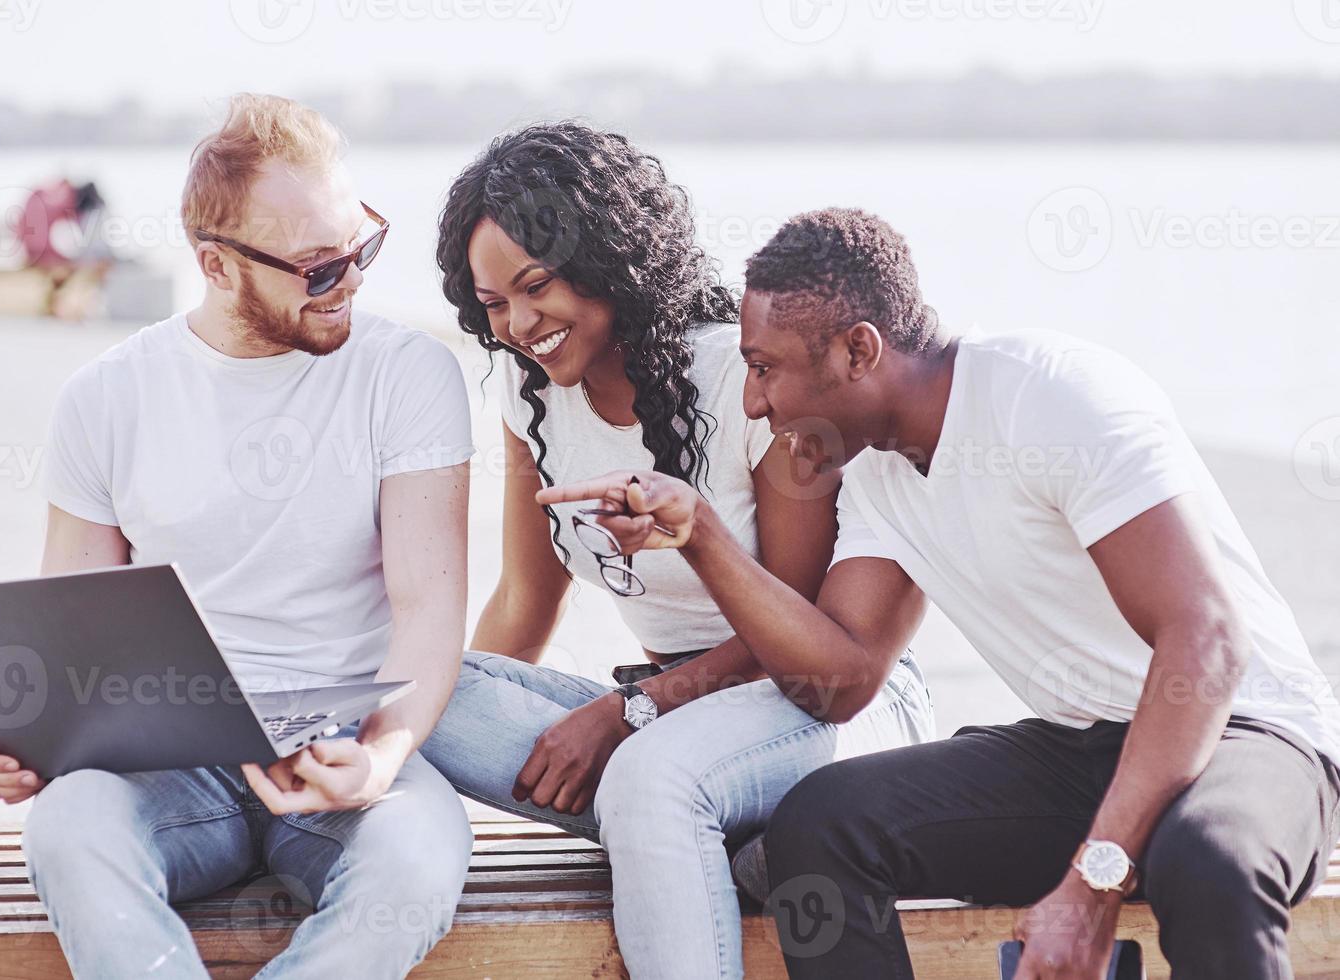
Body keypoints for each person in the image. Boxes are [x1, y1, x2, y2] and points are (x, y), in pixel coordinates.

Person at [538, 207, 1340, 979]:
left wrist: (1093, 886)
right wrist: (704, 537)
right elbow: (840, 680)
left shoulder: (1051, 396)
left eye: (764, 368)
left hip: (1246, 733)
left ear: (859, 350)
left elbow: (1206, 637)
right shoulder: (876, 469)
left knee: (1209, 864)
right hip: (1081, 747)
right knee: (819, 829)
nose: (754, 402)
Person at [0, 94, 476, 978]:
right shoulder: (108, 397)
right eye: (319, 267)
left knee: (419, 860)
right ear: (217, 264)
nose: (352, 279)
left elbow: (430, 605)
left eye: (362, 246)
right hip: (166, 767)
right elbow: (72, 623)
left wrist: (383, 760)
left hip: (342, 749)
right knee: (68, 828)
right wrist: (30, 739)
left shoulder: (409, 375)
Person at [419, 124, 935, 980]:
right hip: (669, 717)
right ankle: (736, 841)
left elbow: (801, 636)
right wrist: (452, 737)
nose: (518, 325)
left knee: (649, 781)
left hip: (818, 704)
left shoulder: (744, 380)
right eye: (493, 304)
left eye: (536, 285)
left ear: (607, 256)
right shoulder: (529, 391)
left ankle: (712, 824)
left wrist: (635, 713)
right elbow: (523, 602)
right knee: (422, 688)